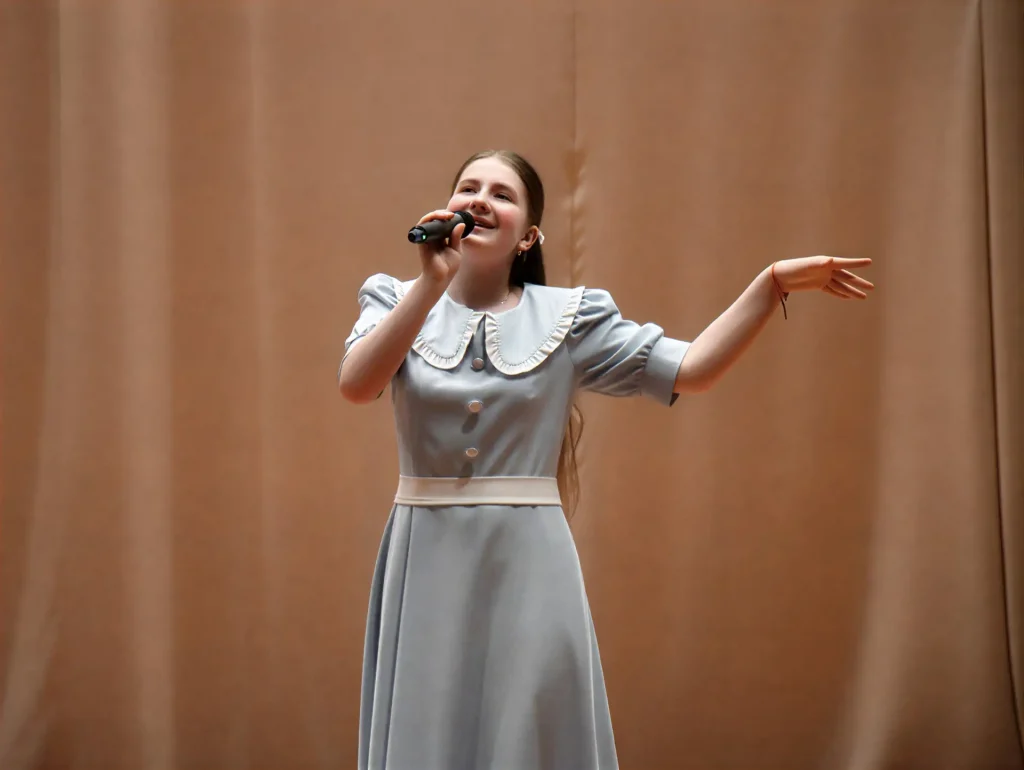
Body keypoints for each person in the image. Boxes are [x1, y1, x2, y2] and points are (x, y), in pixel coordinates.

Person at [338, 149, 873, 770]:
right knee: (430, 723)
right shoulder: (393, 297)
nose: (480, 199)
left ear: (528, 236)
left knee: (528, 727)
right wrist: (432, 283)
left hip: (530, 562)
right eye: (468, 188)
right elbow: (357, 384)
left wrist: (770, 284)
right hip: (424, 554)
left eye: (502, 194)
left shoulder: (568, 318)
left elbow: (692, 368)